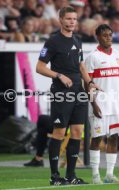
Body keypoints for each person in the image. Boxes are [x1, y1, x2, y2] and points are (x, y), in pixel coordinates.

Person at [35, 6, 99, 186]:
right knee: (59, 132)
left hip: (79, 92)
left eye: (75, 19)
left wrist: (90, 82)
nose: (72, 22)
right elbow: (39, 67)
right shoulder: (52, 42)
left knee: (77, 132)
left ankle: (71, 176)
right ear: (61, 20)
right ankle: (54, 176)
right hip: (61, 93)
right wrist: (58, 75)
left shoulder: (78, 41)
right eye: (69, 18)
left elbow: (81, 66)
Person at [84, 24, 119, 184]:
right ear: (98, 37)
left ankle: (109, 174)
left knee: (114, 137)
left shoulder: (117, 54)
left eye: (110, 34)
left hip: (115, 104)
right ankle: (95, 175)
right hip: (99, 104)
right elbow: (86, 83)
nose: (108, 37)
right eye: (104, 35)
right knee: (97, 138)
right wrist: (93, 103)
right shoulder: (92, 57)